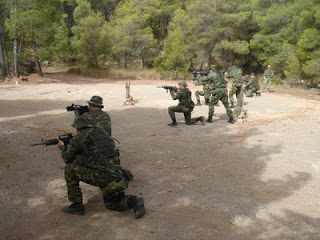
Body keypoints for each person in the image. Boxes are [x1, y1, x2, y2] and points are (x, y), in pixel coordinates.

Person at [57, 115, 145, 218]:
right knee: (111, 204)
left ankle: (76, 205)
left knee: (69, 169)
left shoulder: (80, 137)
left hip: (101, 175)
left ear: (78, 128)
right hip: (116, 173)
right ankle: (133, 201)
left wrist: (62, 147)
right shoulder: (102, 133)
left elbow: (67, 158)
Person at [83, 96, 133, 182]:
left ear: (91, 105)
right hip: (109, 144)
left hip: (94, 148)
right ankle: (118, 172)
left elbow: (81, 133)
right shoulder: (106, 115)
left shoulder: (86, 116)